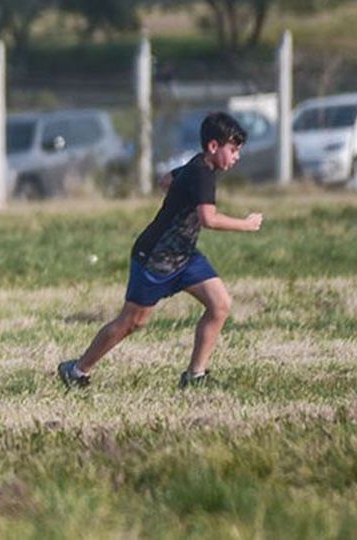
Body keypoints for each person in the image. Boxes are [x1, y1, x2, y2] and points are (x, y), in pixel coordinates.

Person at [58, 112, 263, 390]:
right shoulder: (202, 174)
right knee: (132, 322)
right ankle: (77, 370)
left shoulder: (198, 167)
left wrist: (178, 199)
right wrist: (247, 224)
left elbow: (166, 180)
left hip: (184, 257)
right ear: (214, 147)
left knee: (220, 305)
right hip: (155, 259)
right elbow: (209, 219)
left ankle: (195, 376)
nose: (237, 156)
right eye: (233, 149)